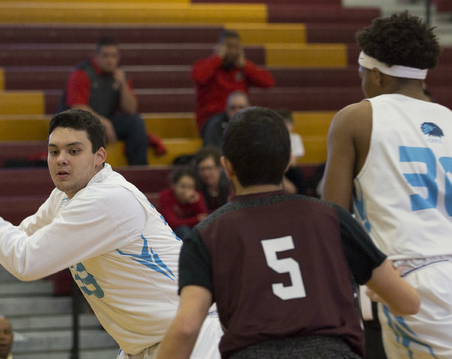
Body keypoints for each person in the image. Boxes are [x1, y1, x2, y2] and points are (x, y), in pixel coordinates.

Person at [0, 109, 222, 359]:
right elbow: (20, 239)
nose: (61, 159)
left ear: (100, 156)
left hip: (193, 337)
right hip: (144, 344)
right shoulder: (64, 196)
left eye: (73, 151)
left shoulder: (105, 199)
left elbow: (26, 261)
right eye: (54, 151)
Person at [156, 107, 421, 359]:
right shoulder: (332, 217)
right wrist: (380, 293)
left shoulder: (206, 235)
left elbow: (187, 328)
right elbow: (408, 302)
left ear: (227, 167)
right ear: (286, 163)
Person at [322, 12, 452, 358]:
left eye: (362, 73)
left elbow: (333, 218)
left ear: (377, 76)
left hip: (406, 276)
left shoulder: (356, 117)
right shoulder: (450, 120)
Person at [58, 37, 148, 165]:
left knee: (136, 122)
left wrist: (123, 85)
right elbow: (77, 107)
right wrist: (103, 121)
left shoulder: (119, 75)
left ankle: (139, 169)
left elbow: (131, 109)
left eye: (113, 56)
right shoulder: (82, 73)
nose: (109, 60)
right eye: (105, 55)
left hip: (103, 122)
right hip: (77, 124)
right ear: (97, 56)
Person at [191, 29, 274, 142]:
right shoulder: (207, 65)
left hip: (240, 117)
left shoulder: (243, 68)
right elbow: (198, 76)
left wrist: (245, 65)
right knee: (220, 125)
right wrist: (217, 58)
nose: (232, 51)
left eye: (235, 47)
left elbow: (268, 82)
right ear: (220, 47)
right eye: (228, 46)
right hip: (213, 119)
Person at [158, 167, 208, 240]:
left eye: (190, 187)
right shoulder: (165, 196)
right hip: (169, 232)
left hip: (192, 231)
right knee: (183, 229)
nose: (186, 190)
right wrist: (196, 219)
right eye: (183, 186)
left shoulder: (196, 196)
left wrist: (196, 203)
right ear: (174, 185)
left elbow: (204, 220)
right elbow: (172, 223)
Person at [275, 108, 308, 195]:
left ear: (292, 125)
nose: (284, 127)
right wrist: (282, 180)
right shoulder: (272, 140)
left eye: (287, 124)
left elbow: (293, 162)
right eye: (281, 124)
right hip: (276, 172)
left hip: (288, 170)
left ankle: (302, 201)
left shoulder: (295, 138)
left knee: (296, 172)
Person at [194, 146, 232, 212]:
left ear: (219, 168)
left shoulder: (231, 187)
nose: (206, 173)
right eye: (202, 169)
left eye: (209, 168)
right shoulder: (196, 188)